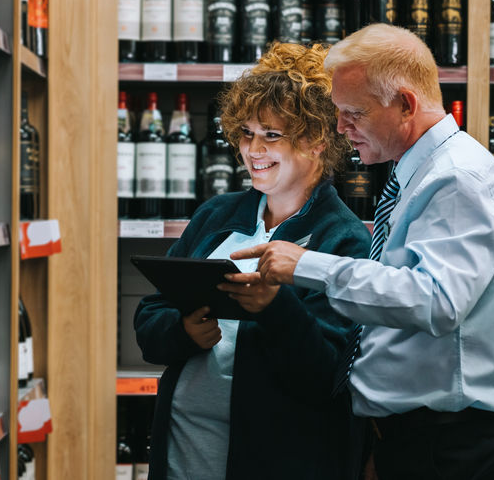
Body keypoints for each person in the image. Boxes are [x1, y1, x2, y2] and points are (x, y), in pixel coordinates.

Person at [231, 23, 494, 479]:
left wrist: (307, 265)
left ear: (405, 104)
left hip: (448, 446)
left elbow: (437, 301)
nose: (339, 127)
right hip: (409, 438)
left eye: (353, 112)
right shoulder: (420, 174)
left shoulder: (458, 182)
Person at [133, 42, 371, 480]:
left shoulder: (344, 240)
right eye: (246, 133)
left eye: (271, 135)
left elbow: (326, 378)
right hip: (184, 456)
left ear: (318, 139)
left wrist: (275, 307)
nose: (252, 149)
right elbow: (149, 317)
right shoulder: (216, 215)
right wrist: (182, 331)